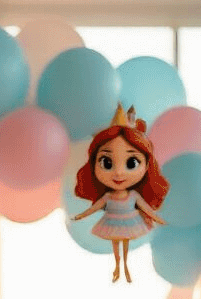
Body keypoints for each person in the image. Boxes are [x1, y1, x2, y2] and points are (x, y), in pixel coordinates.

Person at [72, 104, 169, 283]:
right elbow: (94, 208)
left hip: (129, 221)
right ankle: (119, 267)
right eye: (107, 163)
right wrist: (80, 216)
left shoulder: (133, 196)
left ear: (147, 165)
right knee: (117, 244)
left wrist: (158, 218)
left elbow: (146, 209)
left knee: (123, 244)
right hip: (113, 221)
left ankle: (124, 266)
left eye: (131, 163)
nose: (118, 173)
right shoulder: (108, 197)